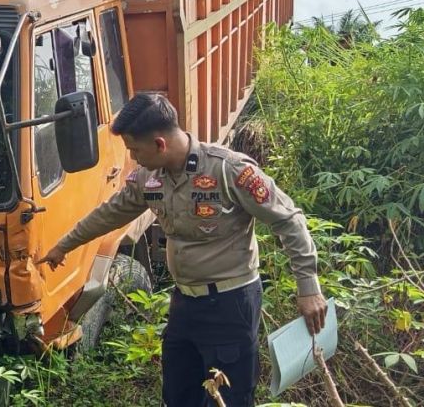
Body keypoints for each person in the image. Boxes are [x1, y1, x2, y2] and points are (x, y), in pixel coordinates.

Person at [37, 93, 326, 407]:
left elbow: (289, 221)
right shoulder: (149, 177)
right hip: (185, 303)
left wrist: (308, 287)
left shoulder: (227, 170)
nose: (132, 157)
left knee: (229, 397)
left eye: (135, 149)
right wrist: (64, 245)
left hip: (231, 305)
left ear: (160, 144)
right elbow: (110, 212)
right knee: (178, 394)